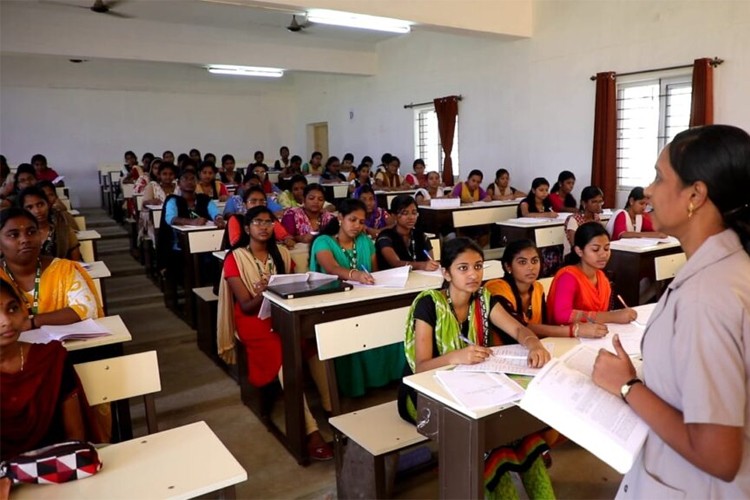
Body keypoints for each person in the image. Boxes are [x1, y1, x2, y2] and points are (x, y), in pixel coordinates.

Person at [592, 124, 750, 498]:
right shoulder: (731, 267)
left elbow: (718, 454)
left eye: (660, 177)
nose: (648, 190)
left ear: (695, 195)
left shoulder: (706, 296)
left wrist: (627, 387)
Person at [397, 237, 553, 498]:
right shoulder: (428, 304)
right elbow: (421, 367)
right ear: (446, 272)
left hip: (470, 389)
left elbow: (517, 328)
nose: (473, 275)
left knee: (520, 434)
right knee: (488, 444)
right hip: (423, 396)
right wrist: (456, 357)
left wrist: (533, 343)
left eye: (478, 266)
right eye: (463, 268)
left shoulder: (482, 299)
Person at [217, 206, 333, 460]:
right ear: (247, 228)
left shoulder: (280, 252)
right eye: (257, 222)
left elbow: (292, 288)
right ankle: (310, 429)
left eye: (269, 222)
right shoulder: (235, 258)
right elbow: (246, 305)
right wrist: (265, 291)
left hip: (281, 313)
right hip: (252, 320)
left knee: (314, 344)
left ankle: (331, 408)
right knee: (282, 350)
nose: (264, 226)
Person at [309, 199, 405, 397]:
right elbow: (331, 268)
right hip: (332, 303)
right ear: (340, 218)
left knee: (395, 322)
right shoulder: (323, 241)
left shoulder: (364, 241)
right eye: (352, 220)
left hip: (364, 297)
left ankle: (390, 378)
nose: (357, 226)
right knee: (353, 330)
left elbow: (375, 271)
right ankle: (355, 386)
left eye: (362, 222)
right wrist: (356, 275)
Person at [0, 279, 87, 463]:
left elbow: (76, 437)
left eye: (12, 308)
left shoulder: (51, 358)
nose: (6, 321)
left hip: (56, 470)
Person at [0, 208, 103, 327]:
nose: (25, 240)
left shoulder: (62, 269)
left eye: (31, 232)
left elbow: (88, 309)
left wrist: (33, 322)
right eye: (14, 235)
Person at [486, 239, 608, 339]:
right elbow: (520, 327)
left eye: (535, 261)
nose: (531, 267)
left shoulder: (537, 289)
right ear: (508, 266)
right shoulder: (497, 289)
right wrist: (574, 330)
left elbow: (544, 326)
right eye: (522, 262)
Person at [547, 222, 636, 325]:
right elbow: (562, 315)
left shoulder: (602, 278)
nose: (603, 254)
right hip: (567, 338)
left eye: (606, 248)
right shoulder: (568, 277)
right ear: (579, 251)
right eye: (595, 249)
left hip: (594, 334)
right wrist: (611, 316)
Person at [157, 169, 225, 276]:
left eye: (192, 179)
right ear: (179, 183)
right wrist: (192, 222)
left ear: (197, 182)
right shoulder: (173, 200)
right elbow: (170, 218)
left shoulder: (204, 199)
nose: (189, 182)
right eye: (185, 179)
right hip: (179, 246)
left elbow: (215, 213)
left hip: (205, 243)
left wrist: (219, 219)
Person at [376, 195, 439, 271]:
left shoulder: (421, 236)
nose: (411, 217)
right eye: (405, 213)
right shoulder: (385, 237)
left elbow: (430, 260)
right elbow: (395, 263)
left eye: (414, 213)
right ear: (394, 216)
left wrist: (431, 264)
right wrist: (421, 265)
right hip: (394, 280)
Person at [19, 187, 81, 261]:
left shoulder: (63, 230)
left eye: (40, 204)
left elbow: (75, 262)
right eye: (29, 207)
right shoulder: (18, 236)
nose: (37, 211)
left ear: (48, 204)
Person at [225, 186, 294, 248]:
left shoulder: (270, 219)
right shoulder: (237, 219)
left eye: (262, 201)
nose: (258, 205)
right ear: (244, 205)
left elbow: (284, 235)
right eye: (253, 201)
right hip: (241, 257)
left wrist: (287, 240)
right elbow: (235, 243)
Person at [563, 185, 604, 257]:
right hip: (576, 256)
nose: (598, 205)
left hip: (592, 254)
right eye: (594, 202)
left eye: (600, 201)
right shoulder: (574, 220)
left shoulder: (596, 218)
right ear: (584, 203)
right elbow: (574, 246)